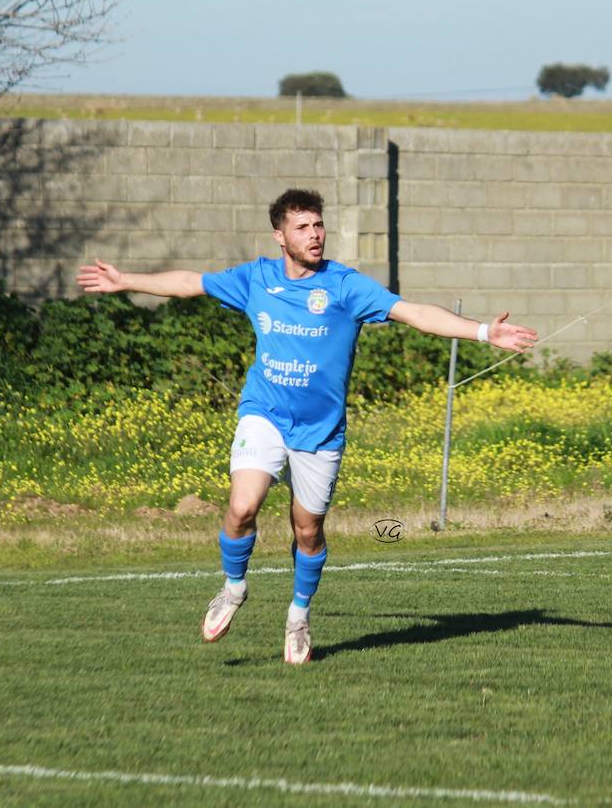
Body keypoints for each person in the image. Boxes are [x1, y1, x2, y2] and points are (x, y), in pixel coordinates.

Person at [76, 188, 537, 664]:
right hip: (265, 414)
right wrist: (125, 279)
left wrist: (484, 331)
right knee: (241, 507)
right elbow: (192, 282)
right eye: (303, 227)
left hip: (320, 431)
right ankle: (233, 589)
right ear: (280, 235)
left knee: (308, 532)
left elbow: (413, 313)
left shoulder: (344, 286)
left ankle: (298, 616)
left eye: (318, 225)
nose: (315, 235)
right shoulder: (255, 278)